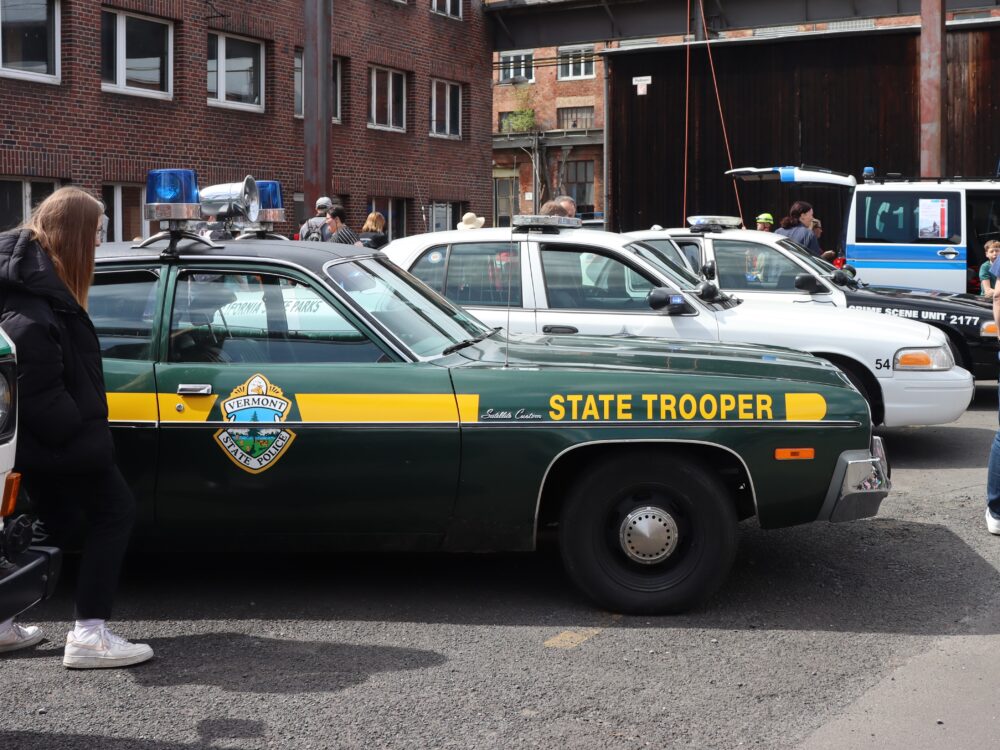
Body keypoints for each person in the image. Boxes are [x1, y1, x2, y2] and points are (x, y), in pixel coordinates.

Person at [0, 187, 153, 668]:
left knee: (45, 525)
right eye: (98, 232)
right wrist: (80, 430)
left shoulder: (33, 282)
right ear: (75, 234)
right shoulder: (34, 302)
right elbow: (37, 387)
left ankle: (2, 622)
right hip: (60, 442)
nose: (101, 242)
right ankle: (89, 634)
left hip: (39, 444)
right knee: (115, 512)